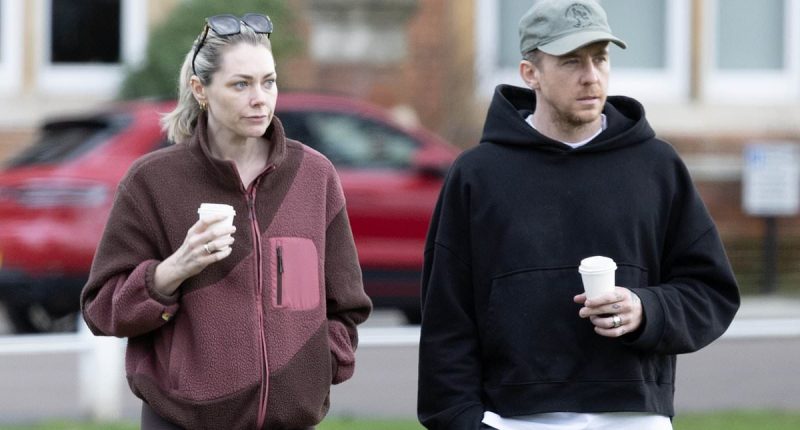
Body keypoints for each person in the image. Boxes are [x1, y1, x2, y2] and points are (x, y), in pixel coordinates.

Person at [417, 0, 740, 429]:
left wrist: (647, 309)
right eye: (571, 61)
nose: (591, 76)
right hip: (514, 420)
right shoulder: (478, 175)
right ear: (530, 73)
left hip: (635, 415)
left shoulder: (656, 167)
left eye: (600, 58)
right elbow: (446, 318)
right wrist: (460, 421)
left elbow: (711, 290)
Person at [81, 13, 371, 430]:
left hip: (290, 422)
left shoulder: (314, 176)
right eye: (241, 84)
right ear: (201, 90)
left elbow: (347, 304)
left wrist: (317, 369)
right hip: (181, 422)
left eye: (268, 82)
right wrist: (172, 271)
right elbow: (101, 309)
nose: (260, 98)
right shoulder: (152, 183)